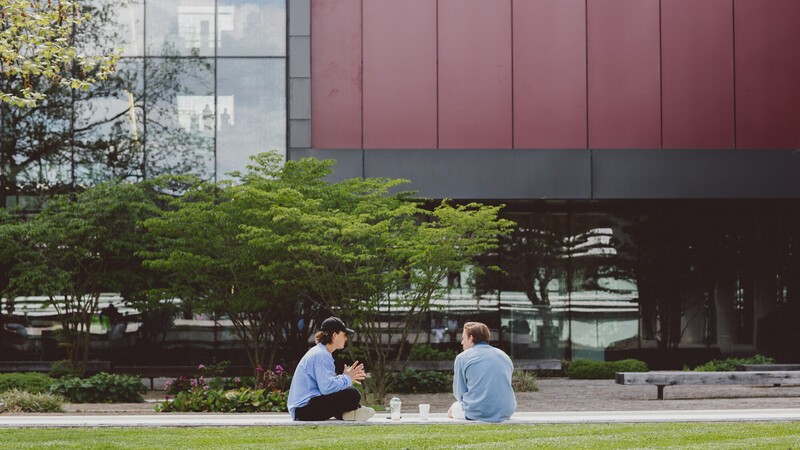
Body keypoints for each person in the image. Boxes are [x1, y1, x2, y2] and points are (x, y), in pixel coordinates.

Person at [287, 317, 375, 421]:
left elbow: (325, 384)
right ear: (334, 335)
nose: (346, 338)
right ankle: (353, 410)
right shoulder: (322, 355)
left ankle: (347, 413)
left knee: (348, 391)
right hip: (304, 410)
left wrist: (344, 377)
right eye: (344, 334)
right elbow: (327, 388)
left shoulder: (320, 352)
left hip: (304, 408)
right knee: (352, 394)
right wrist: (347, 378)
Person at [448, 321, 516, 422]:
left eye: (463, 338)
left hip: (476, 411)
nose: (462, 342)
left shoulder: (462, 358)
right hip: (505, 411)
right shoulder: (504, 356)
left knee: (451, 411)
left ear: (471, 338)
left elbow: (459, 394)